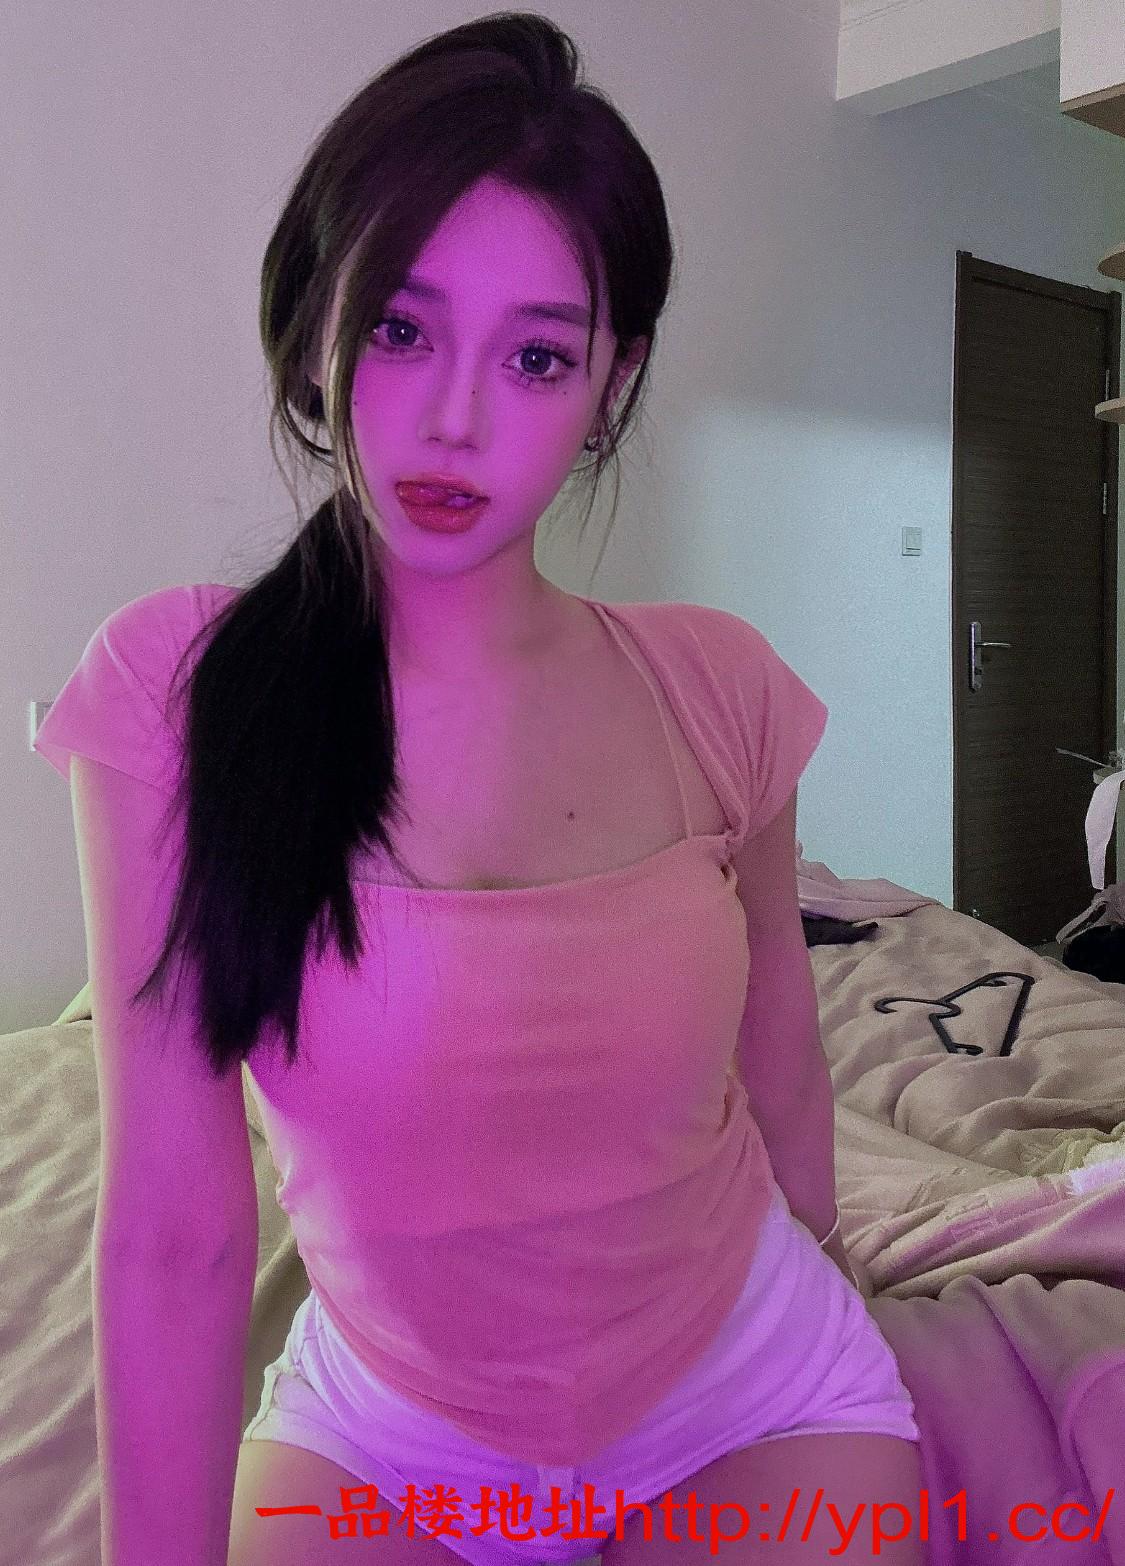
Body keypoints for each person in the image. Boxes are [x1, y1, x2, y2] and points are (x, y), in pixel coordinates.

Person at [33, 14, 925, 1565]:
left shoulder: (717, 688)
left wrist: (831, 1262)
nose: (455, 416)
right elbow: (173, 1233)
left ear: (610, 379)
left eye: (535, 356)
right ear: (315, 318)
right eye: (399, 328)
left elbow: (781, 1046)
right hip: (392, 1433)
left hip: (748, 1389)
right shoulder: (178, 694)